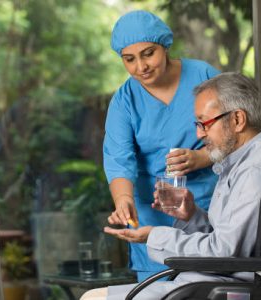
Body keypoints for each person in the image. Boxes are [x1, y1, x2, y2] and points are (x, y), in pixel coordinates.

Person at [81, 72, 261, 300]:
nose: (199, 133)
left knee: (93, 298)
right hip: (215, 280)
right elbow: (236, 241)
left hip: (226, 286)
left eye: (205, 123)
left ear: (237, 120)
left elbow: (225, 253)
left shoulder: (255, 170)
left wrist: (155, 236)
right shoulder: (248, 161)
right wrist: (192, 215)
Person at [103, 10, 220, 281]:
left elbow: (236, 134)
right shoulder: (124, 101)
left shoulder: (204, 76)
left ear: (164, 45)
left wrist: (202, 158)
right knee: (155, 289)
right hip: (152, 216)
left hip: (206, 208)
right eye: (129, 59)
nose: (140, 66)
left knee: (209, 284)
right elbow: (118, 158)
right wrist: (123, 200)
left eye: (148, 53)